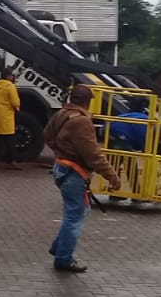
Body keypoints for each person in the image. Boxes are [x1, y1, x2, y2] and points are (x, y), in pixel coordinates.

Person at [43, 85, 122, 273]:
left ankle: (60, 247)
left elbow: (47, 135)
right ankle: (63, 259)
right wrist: (112, 176)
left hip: (62, 169)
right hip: (74, 173)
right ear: (88, 101)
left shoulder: (62, 113)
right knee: (74, 216)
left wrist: (59, 151)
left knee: (79, 211)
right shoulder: (81, 122)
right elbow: (94, 155)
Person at [0, 66, 21, 170]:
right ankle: (10, 161)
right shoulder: (10, 86)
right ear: (9, 76)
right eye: (12, 75)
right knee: (9, 139)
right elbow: (15, 102)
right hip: (6, 116)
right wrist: (17, 108)